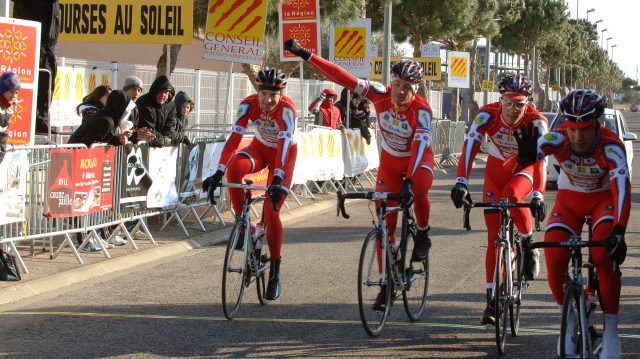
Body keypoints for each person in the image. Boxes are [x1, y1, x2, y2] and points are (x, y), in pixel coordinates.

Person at [285, 39, 434, 311]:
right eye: (397, 85)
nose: (400, 92)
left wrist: (410, 181)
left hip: (416, 162)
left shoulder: (422, 110)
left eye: (407, 88)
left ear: (416, 89)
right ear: (392, 82)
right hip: (389, 166)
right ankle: (385, 281)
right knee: (382, 226)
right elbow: (343, 77)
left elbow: (420, 145)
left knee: (420, 190)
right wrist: (308, 56)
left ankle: (423, 233)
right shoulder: (379, 93)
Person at [515, 90, 630, 358]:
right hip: (569, 202)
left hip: (604, 200)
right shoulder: (559, 137)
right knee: (555, 256)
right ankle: (568, 319)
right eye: (572, 128)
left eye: (585, 129)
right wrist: (527, 157)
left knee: (603, 255)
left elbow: (622, 191)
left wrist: (620, 231)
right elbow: (538, 149)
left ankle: (612, 331)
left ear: (597, 125)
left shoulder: (612, 146)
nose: (577, 136)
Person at [450, 74, 548, 326]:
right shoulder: (487, 115)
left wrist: (538, 193)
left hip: (523, 170)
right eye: (509, 103)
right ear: (500, 100)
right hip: (495, 173)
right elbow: (470, 144)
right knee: (494, 239)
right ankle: (491, 299)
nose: (513, 110)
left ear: (528, 104)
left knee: (514, 196)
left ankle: (527, 241)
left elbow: (541, 161)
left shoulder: (536, 121)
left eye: (520, 104)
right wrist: (461, 181)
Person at [202, 68, 297, 301]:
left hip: (283, 157)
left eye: (273, 95)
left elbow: (284, 145)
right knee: (235, 168)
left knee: (271, 212)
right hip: (259, 148)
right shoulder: (247, 104)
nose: (267, 100)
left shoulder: (288, 110)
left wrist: (278, 177)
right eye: (263, 93)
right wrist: (218, 172)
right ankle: (242, 224)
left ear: (281, 93)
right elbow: (234, 137)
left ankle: (275, 272)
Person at [68, 90, 136, 250]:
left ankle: (91, 236)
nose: (127, 113)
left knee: (90, 201)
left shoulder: (107, 118)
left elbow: (101, 139)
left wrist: (117, 140)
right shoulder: (106, 120)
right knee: (83, 201)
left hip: (84, 166)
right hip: (79, 165)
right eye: (126, 109)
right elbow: (89, 144)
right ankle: (84, 239)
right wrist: (115, 140)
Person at [12, 0, 60, 134]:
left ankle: (40, 124)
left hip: (45, 41)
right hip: (30, 37)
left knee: (45, 87)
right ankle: (37, 126)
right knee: (34, 86)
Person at [135, 75, 177, 147]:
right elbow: (147, 129)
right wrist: (162, 140)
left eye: (166, 92)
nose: (163, 95)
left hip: (162, 146)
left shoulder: (171, 105)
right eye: (160, 91)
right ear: (155, 92)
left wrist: (167, 139)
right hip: (142, 146)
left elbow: (170, 127)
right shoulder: (144, 103)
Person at [0, 72, 21, 163]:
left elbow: (3, 137)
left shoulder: (8, 109)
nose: (14, 96)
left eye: (16, 92)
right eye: (11, 92)